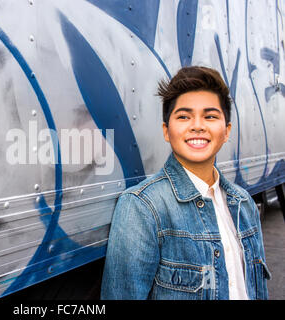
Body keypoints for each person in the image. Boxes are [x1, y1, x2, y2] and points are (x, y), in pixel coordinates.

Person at [101, 66, 271, 300]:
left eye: (210, 116)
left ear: (226, 131)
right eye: (183, 116)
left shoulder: (244, 204)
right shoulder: (142, 208)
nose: (198, 125)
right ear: (167, 131)